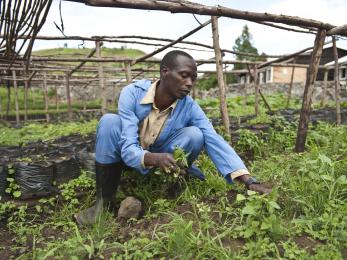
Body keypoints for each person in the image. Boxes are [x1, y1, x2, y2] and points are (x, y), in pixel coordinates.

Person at [75, 50, 271, 225]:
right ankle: (104, 203)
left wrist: (248, 180)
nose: (189, 83)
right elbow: (127, 146)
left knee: (196, 134)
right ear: (165, 72)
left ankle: (171, 183)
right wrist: (152, 158)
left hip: (164, 159)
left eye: (193, 79)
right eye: (184, 76)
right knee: (109, 122)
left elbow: (213, 137)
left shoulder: (189, 106)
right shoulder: (132, 94)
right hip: (130, 157)